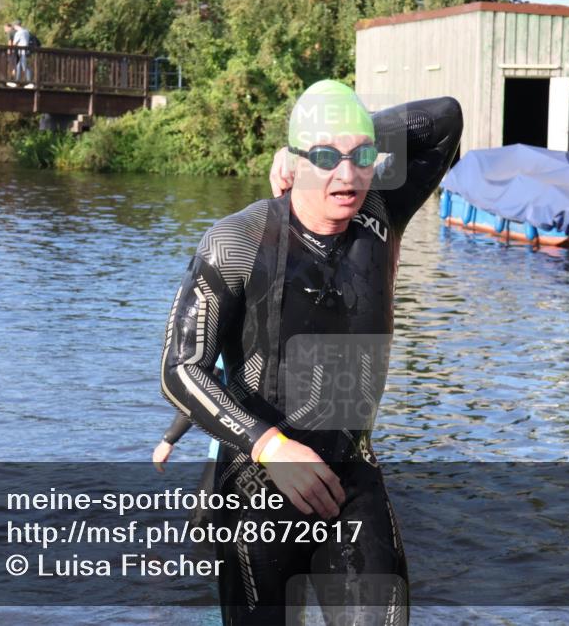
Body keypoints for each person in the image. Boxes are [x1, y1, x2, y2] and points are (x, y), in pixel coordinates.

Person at [160, 80, 462, 624]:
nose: (346, 176)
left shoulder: (381, 212)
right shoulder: (238, 241)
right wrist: (271, 448)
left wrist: (344, 137)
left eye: (361, 157)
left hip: (350, 471)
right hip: (258, 479)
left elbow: (443, 119)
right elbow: (181, 371)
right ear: (293, 162)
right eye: (325, 158)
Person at [10, 20, 33, 88]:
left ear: (16, 26)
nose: (13, 28)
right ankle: (17, 82)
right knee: (18, 67)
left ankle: (30, 82)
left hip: (21, 52)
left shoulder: (18, 33)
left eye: (14, 26)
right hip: (26, 51)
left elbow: (14, 44)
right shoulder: (26, 31)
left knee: (24, 67)